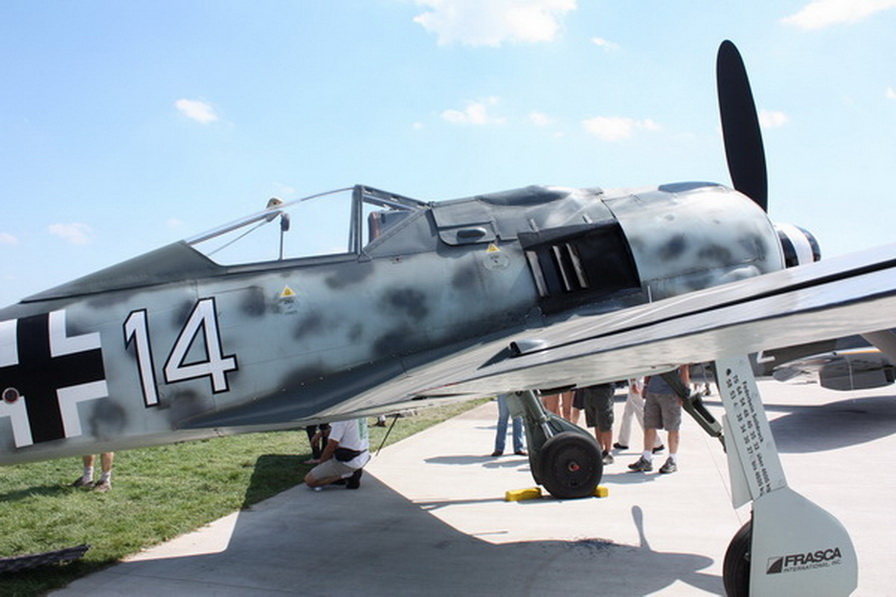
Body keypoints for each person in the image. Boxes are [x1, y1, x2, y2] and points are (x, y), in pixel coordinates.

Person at [628, 364, 690, 474]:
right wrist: (646, 386)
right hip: (653, 391)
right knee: (649, 425)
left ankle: (672, 459)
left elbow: (684, 367)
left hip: (671, 392)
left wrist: (684, 392)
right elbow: (650, 367)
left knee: (672, 427)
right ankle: (647, 457)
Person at [305, 418, 370, 490]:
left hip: (349, 460)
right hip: (363, 455)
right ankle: (346, 475)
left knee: (310, 480)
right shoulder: (357, 415)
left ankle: (348, 474)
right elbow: (338, 431)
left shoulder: (341, 420)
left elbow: (331, 446)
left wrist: (320, 466)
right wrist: (321, 433)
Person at [613, 378, 664, 453]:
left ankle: (656, 442)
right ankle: (623, 441)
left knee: (640, 413)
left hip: (635, 382)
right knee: (628, 413)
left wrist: (634, 383)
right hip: (635, 382)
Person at [574, 383, 615, 465]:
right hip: (589, 387)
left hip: (603, 387)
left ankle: (608, 452)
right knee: (595, 421)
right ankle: (600, 448)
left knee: (605, 420)